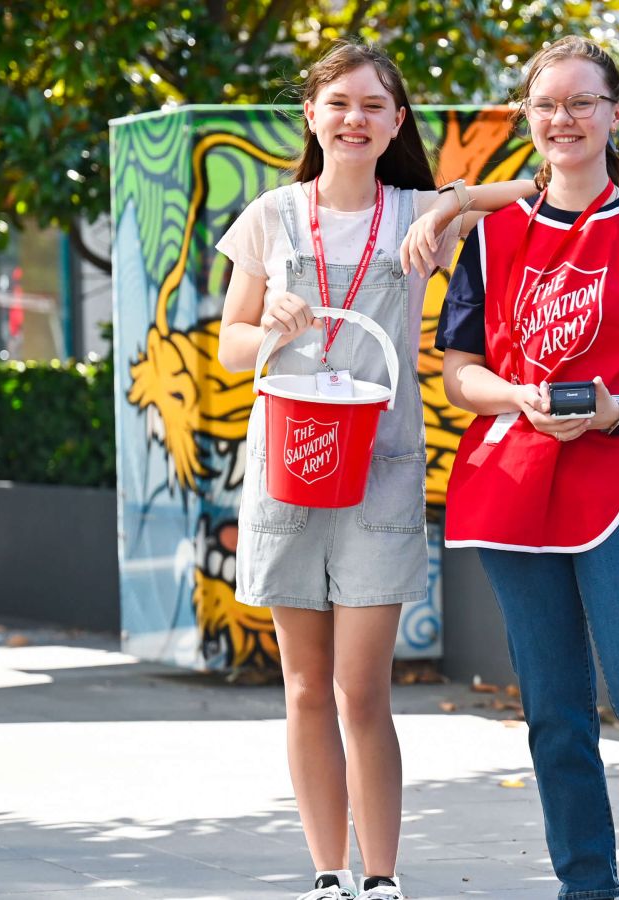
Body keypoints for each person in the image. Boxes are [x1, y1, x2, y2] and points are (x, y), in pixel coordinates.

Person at [214, 40, 538, 900]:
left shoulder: (413, 215)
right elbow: (229, 345)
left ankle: (382, 878)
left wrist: (451, 204)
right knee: (303, 687)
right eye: (339, 104)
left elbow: (532, 193)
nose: (354, 119)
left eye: (373, 106)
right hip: (290, 463)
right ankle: (328, 875)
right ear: (312, 116)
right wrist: (272, 324)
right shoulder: (270, 217)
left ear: (397, 123)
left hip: (381, 470)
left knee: (363, 690)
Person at [430, 36, 619, 900]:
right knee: (555, 715)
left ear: (616, 114)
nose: (562, 119)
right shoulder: (492, 238)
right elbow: (460, 373)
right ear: (527, 117)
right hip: (515, 490)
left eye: (580, 102)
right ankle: (585, 887)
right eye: (545, 104)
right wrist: (521, 395)